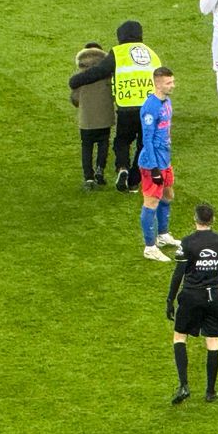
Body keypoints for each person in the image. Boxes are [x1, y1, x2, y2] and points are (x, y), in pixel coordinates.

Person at [67, 20, 160, 192]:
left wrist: (76, 81)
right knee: (144, 145)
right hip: (150, 109)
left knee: (122, 141)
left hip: (127, 107)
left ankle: (122, 167)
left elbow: (99, 71)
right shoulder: (152, 54)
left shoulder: (119, 52)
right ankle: (134, 181)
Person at [166, 203, 218, 404]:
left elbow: (178, 274)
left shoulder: (187, 242)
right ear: (212, 220)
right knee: (212, 340)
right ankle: (210, 391)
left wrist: (170, 299)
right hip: (214, 296)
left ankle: (184, 385)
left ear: (195, 219)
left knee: (180, 336)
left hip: (191, 295)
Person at [137, 67, 181, 262]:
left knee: (168, 195)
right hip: (151, 164)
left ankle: (162, 235)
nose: (173, 86)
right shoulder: (150, 107)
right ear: (157, 84)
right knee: (151, 202)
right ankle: (150, 247)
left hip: (165, 159)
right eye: (168, 83)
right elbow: (146, 140)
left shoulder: (167, 102)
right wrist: (154, 168)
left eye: (172, 82)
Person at [70, 41, 115, 189]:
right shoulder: (108, 74)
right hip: (104, 116)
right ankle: (100, 170)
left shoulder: (80, 76)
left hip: (87, 119)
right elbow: (114, 95)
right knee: (103, 143)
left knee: (87, 146)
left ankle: (88, 178)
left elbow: (75, 99)